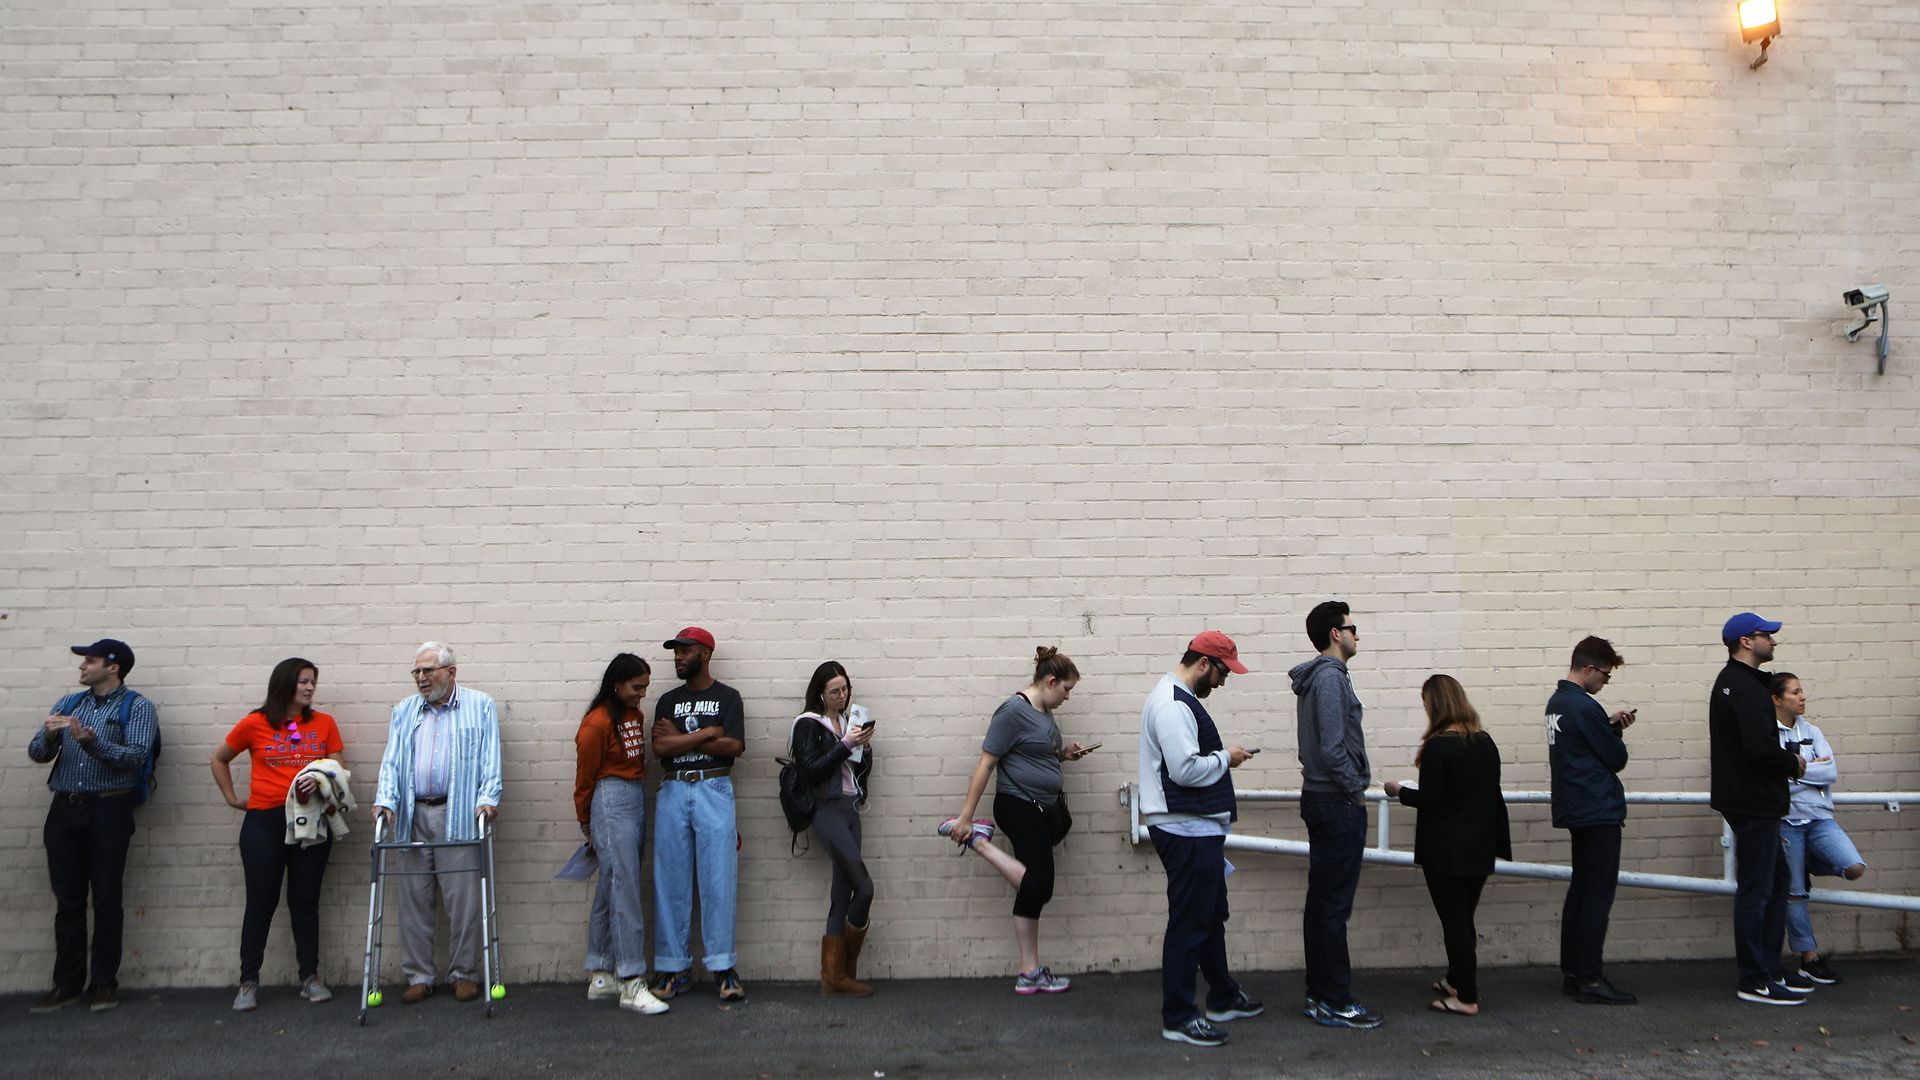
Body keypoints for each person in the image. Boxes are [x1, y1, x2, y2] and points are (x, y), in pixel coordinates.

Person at [940, 646, 1094, 995]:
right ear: (1050, 681)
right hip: (1019, 805)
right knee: (1039, 885)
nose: (1068, 697)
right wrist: (965, 816)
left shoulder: (1042, 712)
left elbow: (1036, 752)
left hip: (1040, 806)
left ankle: (1029, 971)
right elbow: (986, 763)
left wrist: (1063, 755)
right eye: (1066, 689)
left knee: (1033, 892)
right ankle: (978, 840)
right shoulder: (1013, 710)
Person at [1138, 632, 1261, 1048]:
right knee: (1191, 924)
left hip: (1194, 827)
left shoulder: (1176, 698)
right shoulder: (1173, 704)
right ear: (1204, 663)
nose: (1223, 682)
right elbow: (1185, 770)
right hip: (1184, 828)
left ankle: (1223, 995)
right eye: (1223, 672)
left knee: (1208, 917)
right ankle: (1179, 1016)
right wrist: (1228, 757)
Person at [26, 639, 159, 1014]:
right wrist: (51, 735)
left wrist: (92, 742)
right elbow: (37, 753)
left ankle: (103, 984)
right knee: (67, 902)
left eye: (91, 660)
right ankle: (66, 984)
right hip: (64, 810)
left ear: (113, 667)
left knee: (106, 899)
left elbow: (134, 757)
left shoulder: (138, 707)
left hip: (109, 811)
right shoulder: (68, 704)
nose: (83, 667)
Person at [211, 658, 346, 1011]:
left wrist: (324, 787)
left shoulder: (324, 724)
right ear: (285, 683)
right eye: (303, 681)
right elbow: (219, 758)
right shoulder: (255, 723)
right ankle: (248, 981)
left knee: (305, 901)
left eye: (312, 682)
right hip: (264, 822)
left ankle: (310, 978)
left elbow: (338, 771)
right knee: (260, 902)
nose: (309, 687)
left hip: (312, 821)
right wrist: (232, 799)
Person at [372, 642, 503, 1005]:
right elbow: (392, 762)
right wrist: (385, 801)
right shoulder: (405, 711)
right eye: (416, 672)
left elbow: (491, 758)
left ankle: (464, 974)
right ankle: (419, 976)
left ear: (451, 672)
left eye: (428, 671)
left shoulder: (480, 706)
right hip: (413, 815)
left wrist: (488, 799)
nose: (421, 678)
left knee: (463, 900)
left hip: (458, 813)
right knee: (414, 898)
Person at [1386, 674, 1511, 1018]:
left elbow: (1432, 800)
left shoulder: (1440, 746)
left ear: (1435, 704)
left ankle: (1466, 996)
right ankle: (1456, 980)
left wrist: (1398, 791)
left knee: (1454, 921)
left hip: (1447, 849)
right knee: (1463, 917)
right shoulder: (1485, 742)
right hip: (1481, 845)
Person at [1709, 612, 1812, 1006]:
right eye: (1766, 634)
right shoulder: (1745, 688)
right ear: (1746, 642)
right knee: (1757, 889)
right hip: (1754, 801)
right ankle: (1754, 978)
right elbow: (1758, 747)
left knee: (1776, 882)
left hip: (1750, 799)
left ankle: (1769, 969)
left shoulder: (1739, 683)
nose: (1773, 640)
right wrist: (1793, 763)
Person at [1289, 601, 1381, 1029]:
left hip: (1325, 800)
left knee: (1322, 903)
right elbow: (1331, 746)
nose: (1356, 635)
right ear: (1334, 634)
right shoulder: (1329, 679)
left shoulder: (1326, 678)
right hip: (1335, 802)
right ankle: (1335, 999)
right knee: (1332, 907)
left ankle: (1320, 995)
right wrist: (1355, 790)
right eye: (1352, 628)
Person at [648, 627, 748, 1003]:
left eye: (684, 651)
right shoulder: (667, 701)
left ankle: (723, 968)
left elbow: (735, 745)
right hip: (674, 788)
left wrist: (682, 738)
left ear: (705, 653)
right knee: (670, 880)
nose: (677, 657)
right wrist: (707, 734)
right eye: (675, 652)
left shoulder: (727, 697)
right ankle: (673, 969)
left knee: (718, 879)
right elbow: (660, 748)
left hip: (714, 787)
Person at [573, 653, 670, 1016]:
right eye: (636, 687)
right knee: (625, 886)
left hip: (632, 796)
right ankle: (631, 980)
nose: (642, 694)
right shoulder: (597, 722)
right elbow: (585, 776)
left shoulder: (634, 715)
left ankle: (602, 974)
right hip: (609, 798)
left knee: (612, 882)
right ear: (617, 684)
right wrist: (586, 820)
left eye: (645, 687)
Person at [1545, 636, 1638, 1005]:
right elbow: (1615, 758)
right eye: (1605, 674)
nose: (1605, 681)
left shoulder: (1559, 702)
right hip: (1597, 809)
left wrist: (1607, 724)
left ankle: (1574, 970)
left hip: (1576, 807)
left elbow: (1586, 744)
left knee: (1581, 890)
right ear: (1588, 669)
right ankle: (1591, 977)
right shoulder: (1584, 707)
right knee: (1597, 894)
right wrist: (1611, 730)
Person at [1771, 672, 1869, 987]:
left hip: (1819, 819)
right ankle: (1809, 959)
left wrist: (1796, 771)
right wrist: (1810, 770)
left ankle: (1805, 864)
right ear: (1777, 698)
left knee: (1853, 867)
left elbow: (1831, 772)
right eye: (1795, 692)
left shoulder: (1813, 731)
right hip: (1787, 822)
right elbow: (1774, 779)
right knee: (1795, 894)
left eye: (1802, 691)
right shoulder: (1768, 735)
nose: (1803, 697)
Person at [789, 661, 877, 997]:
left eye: (845, 690)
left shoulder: (846, 721)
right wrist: (844, 744)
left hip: (851, 808)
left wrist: (864, 748)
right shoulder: (809, 724)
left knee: (841, 895)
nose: (841, 696)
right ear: (821, 694)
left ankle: (834, 977)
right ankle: (842, 972)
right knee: (865, 888)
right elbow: (809, 769)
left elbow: (859, 773)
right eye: (834, 691)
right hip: (827, 810)